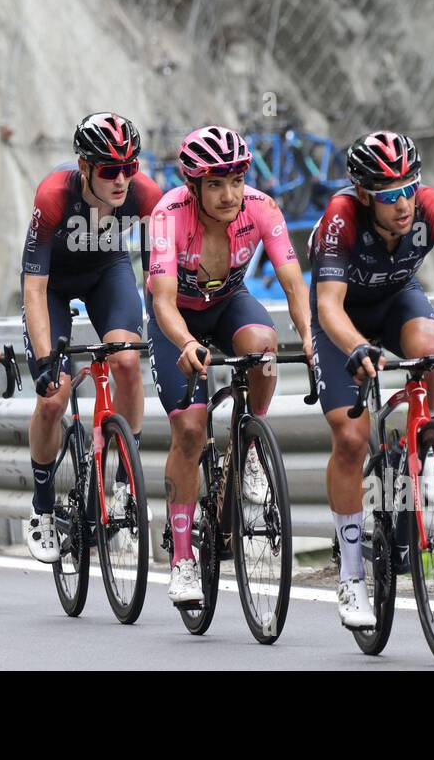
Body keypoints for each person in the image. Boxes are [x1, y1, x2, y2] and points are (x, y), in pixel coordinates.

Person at [309, 131, 434, 627]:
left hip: (397, 298)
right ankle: (353, 575)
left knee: (430, 347)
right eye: (389, 194)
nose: (404, 203)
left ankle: (426, 445)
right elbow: (328, 307)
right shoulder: (341, 218)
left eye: (409, 188)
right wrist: (357, 348)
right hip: (342, 319)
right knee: (352, 438)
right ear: (364, 195)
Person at [146, 125, 312, 606]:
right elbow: (162, 301)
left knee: (263, 343)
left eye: (236, 181)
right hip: (177, 317)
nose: (228, 194)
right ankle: (181, 559)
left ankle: (250, 446)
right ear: (193, 186)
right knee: (192, 432)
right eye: (215, 184)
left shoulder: (262, 207)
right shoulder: (167, 215)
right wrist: (184, 342)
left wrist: (308, 337)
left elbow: (292, 284)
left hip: (229, 303)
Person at [20, 114, 161, 564]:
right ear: (84, 167)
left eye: (129, 167)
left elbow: (160, 275)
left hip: (108, 273)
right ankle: (42, 508)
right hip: (55, 286)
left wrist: (164, 330)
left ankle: (124, 486)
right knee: (53, 398)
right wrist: (45, 361)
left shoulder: (146, 195)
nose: (121, 179)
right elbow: (35, 287)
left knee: (125, 362)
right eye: (108, 169)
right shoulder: (53, 196)